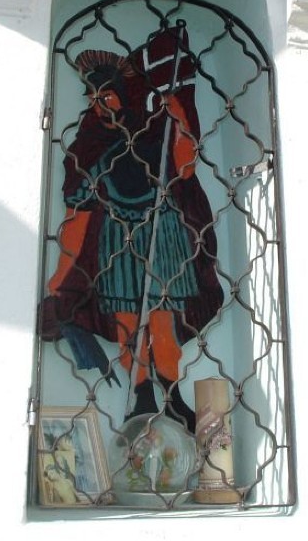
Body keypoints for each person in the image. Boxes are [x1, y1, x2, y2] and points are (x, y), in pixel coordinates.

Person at [41, 26, 223, 433]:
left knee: (163, 317)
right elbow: (78, 193)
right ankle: (141, 392)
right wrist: (63, 274)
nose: (99, 106)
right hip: (117, 236)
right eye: (93, 99)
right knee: (127, 318)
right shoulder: (93, 135)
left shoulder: (154, 123)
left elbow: (183, 163)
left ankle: (171, 393)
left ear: (123, 94)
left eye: (106, 97)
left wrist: (176, 114)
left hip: (162, 227)